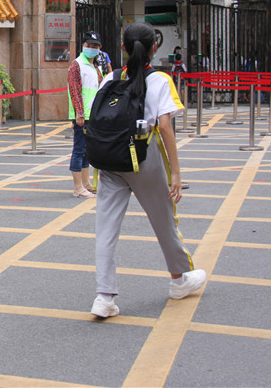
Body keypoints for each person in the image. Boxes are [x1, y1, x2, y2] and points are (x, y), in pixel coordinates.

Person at [90, 22, 205, 319]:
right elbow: (164, 127)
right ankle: (179, 279)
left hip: (110, 159)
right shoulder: (161, 80)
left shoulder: (110, 78)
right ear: (154, 47)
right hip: (143, 156)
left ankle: (104, 297)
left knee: (105, 229)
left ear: (124, 48)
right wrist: (176, 172)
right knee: (164, 220)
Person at [67, 30, 103, 198]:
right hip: (82, 115)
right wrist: (79, 113)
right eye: (89, 45)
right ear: (83, 45)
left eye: (95, 46)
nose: (92, 48)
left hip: (92, 114)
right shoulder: (77, 64)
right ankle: (78, 187)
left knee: (87, 150)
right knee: (79, 149)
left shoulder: (96, 67)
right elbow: (75, 90)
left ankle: (86, 183)